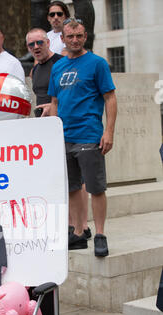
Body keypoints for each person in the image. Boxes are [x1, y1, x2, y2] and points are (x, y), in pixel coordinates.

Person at [48, 18, 117, 257]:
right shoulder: (57, 67)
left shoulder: (97, 64)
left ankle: (99, 234)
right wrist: (53, 132)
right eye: (70, 36)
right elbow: (55, 102)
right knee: (73, 187)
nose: (75, 40)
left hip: (89, 134)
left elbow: (110, 98)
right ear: (63, 39)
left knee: (96, 188)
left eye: (79, 36)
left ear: (84, 36)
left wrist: (108, 131)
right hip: (64, 137)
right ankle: (78, 233)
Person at [26, 28, 62, 117]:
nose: (36, 47)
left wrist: (53, 107)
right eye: (31, 44)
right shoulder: (35, 70)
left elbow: (73, 96)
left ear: (48, 43)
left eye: (39, 42)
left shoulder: (61, 63)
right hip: (43, 121)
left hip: (61, 120)